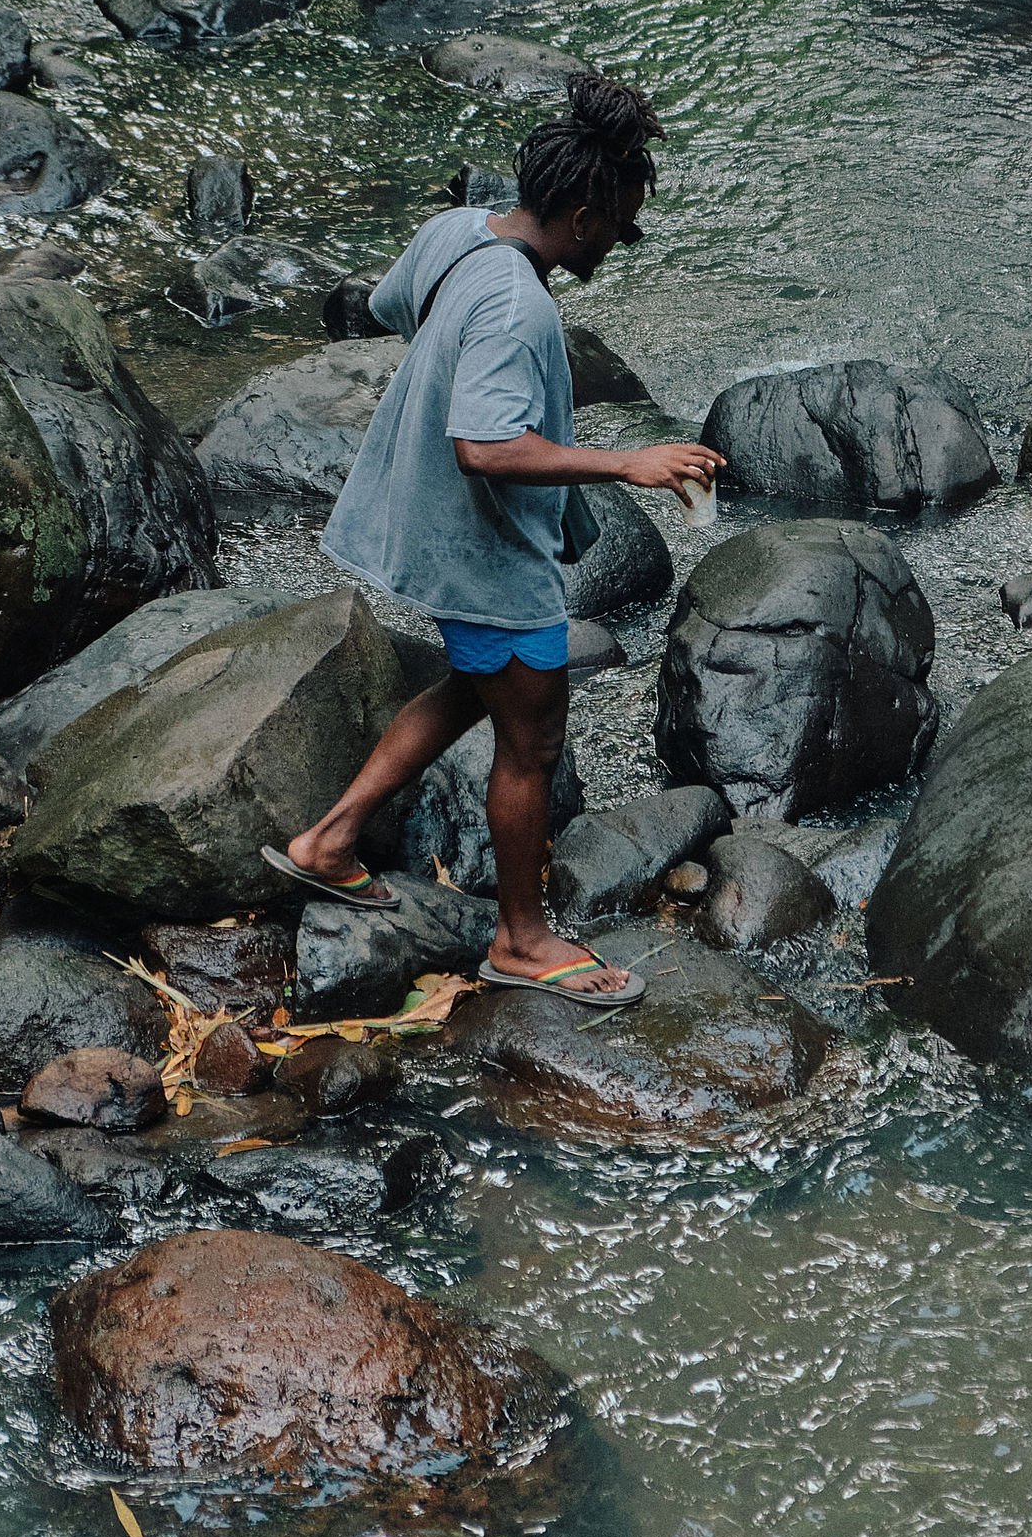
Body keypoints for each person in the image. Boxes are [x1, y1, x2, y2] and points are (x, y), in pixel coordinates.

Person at [267, 73, 721, 1014]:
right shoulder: (521, 310)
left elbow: (394, 307)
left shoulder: (459, 231)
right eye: (624, 228)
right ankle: (521, 940)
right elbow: (485, 447)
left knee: (475, 687)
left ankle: (329, 843)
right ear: (587, 217)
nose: (621, 245)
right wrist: (627, 463)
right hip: (480, 548)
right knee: (533, 742)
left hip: (423, 522)